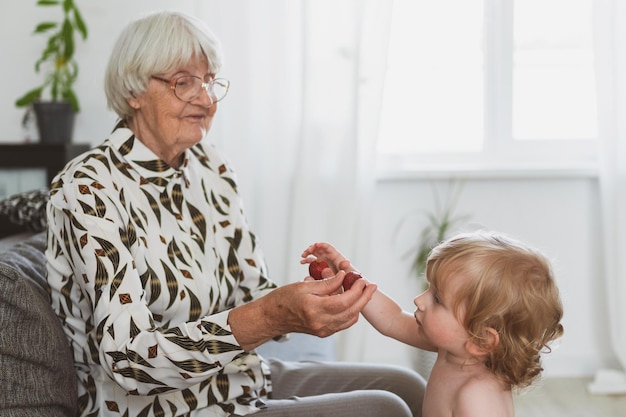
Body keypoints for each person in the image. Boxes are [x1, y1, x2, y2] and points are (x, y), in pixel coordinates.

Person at [45, 10, 426, 417]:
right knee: (384, 409)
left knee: (407, 384)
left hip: (235, 380)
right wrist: (270, 314)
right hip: (159, 408)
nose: (206, 99)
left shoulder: (210, 167)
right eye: (183, 81)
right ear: (134, 91)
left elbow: (250, 292)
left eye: (209, 81)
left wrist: (314, 295)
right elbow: (130, 361)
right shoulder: (88, 188)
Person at [302, 230, 564, 417]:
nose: (419, 300)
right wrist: (348, 276)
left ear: (481, 339)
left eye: (437, 299)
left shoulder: (477, 397)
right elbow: (392, 319)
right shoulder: (453, 348)